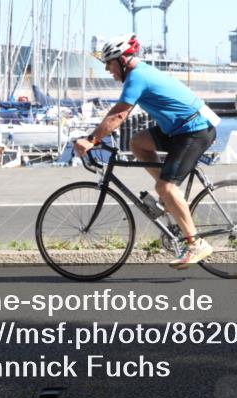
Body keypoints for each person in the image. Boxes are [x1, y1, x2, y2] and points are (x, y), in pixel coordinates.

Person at [73, 33, 218, 268]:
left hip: (194, 130)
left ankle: (195, 243)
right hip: (178, 129)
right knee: (138, 142)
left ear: (121, 60)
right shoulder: (139, 73)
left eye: (109, 64)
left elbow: (120, 114)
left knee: (165, 186)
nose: (109, 71)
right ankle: (168, 197)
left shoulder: (137, 77)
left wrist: (92, 139)